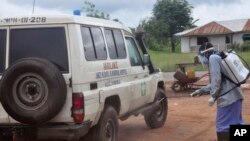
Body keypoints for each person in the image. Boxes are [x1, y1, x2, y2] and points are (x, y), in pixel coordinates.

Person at [191, 43, 244, 141]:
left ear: (205, 53)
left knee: (222, 127)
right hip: (237, 96)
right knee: (237, 124)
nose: (201, 60)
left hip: (227, 100)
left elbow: (216, 81)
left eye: (201, 56)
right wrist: (201, 91)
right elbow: (221, 81)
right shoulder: (221, 57)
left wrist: (213, 96)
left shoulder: (213, 59)